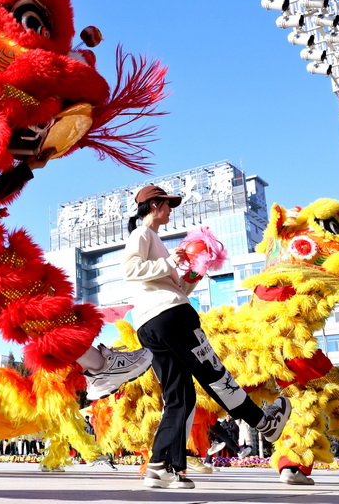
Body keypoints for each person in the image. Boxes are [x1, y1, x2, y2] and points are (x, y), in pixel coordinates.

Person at [122, 185, 291, 490]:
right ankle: (264, 423)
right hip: (171, 317)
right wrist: (172, 262)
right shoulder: (142, 234)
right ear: (154, 205)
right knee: (213, 373)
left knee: (180, 396)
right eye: (167, 205)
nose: (170, 210)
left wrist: (194, 274)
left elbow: (174, 289)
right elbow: (131, 269)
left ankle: (162, 466)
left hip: (152, 323)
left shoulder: (155, 241)